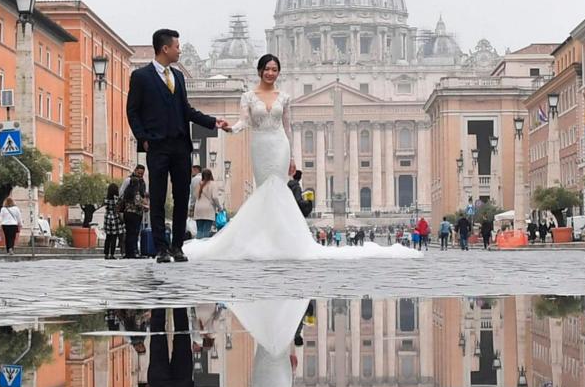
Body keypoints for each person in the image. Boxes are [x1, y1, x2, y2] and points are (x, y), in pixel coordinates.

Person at [184, 54, 419, 262]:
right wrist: (230, 129)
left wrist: (293, 158)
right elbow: (244, 121)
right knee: (265, 191)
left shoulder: (284, 96)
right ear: (259, 71)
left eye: (274, 69)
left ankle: (280, 241)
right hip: (260, 145)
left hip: (279, 145)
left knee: (278, 190)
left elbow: (287, 128)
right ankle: (265, 239)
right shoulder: (248, 96)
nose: (270, 73)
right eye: (267, 69)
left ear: (278, 72)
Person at [126, 29, 229, 263]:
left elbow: (187, 110)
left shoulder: (179, 77)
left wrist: (213, 122)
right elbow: (132, 111)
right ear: (165, 48)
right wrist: (143, 138)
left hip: (181, 146)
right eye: (177, 46)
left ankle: (177, 247)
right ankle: (161, 247)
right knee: (159, 197)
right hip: (157, 146)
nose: (179, 50)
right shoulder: (141, 77)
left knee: (182, 196)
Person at [120, 164, 148, 258]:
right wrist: (145, 205)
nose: (140, 175)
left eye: (142, 173)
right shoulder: (129, 181)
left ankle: (129, 253)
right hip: (134, 212)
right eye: (139, 173)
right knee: (133, 233)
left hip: (131, 212)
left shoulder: (142, 182)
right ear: (135, 170)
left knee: (131, 233)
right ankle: (132, 252)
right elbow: (121, 193)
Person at [191, 169, 220, 239]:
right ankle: (203, 247)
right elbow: (215, 197)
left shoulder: (199, 184)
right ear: (210, 175)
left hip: (198, 209)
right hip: (208, 209)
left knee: (199, 230)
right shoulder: (213, 184)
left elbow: (195, 196)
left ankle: (197, 245)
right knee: (206, 231)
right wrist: (219, 206)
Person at [103, 182, 125, 259]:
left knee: (108, 237)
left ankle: (106, 254)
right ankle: (112, 254)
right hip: (115, 217)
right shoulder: (117, 199)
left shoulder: (106, 199)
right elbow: (119, 207)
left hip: (107, 217)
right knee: (114, 237)